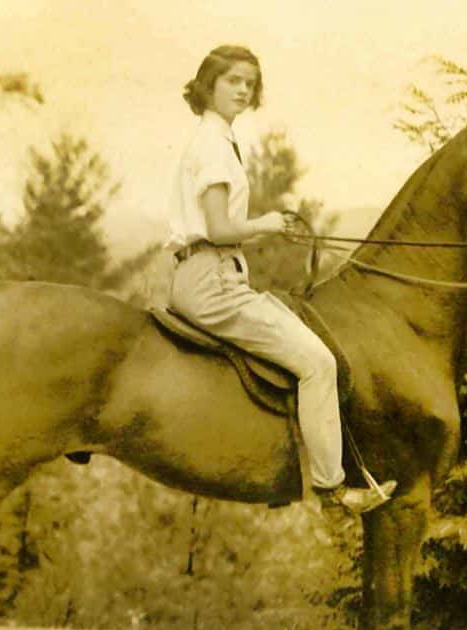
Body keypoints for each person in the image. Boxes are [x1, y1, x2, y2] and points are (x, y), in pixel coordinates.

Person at [166, 44, 395, 515]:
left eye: (250, 82)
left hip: (215, 275)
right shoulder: (211, 144)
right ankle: (333, 491)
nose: (244, 90)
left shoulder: (218, 140)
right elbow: (217, 229)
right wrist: (266, 224)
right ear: (208, 84)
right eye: (233, 80)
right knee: (318, 363)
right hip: (211, 283)